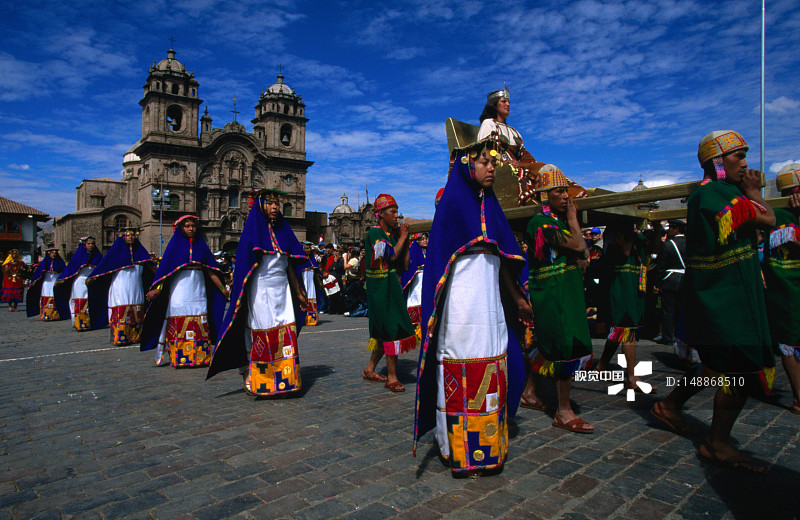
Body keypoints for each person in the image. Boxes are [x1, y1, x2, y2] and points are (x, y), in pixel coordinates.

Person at [651, 130, 775, 473]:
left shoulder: (725, 192)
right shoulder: (709, 195)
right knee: (738, 370)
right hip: (721, 298)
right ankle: (716, 444)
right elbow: (767, 219)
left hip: (733, 293)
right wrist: (752, 193)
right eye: (739, 156)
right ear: (717, 162)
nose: (746, 163)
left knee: (713, 367)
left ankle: (669, 406)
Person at [414, 139, 532, 475]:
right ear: (468, 166)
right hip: (461, 307)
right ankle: (457, 448)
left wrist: (519, 298)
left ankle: (489, 446)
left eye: (493, 162)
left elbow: (505, 259)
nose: (491, 167)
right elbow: (439, 268)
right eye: (483, 162)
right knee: (459, 364)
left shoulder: (492, 207)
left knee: (492, 361)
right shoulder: (451, 207)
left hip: (490, 306)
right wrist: (433, 314)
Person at [207, 189, 307, 397]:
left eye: (277, 204)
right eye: (270, 203)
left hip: (282, 290)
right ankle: (256, 377)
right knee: (261, 330)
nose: (275, 207)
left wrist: (297, 292)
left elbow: (288, 265)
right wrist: (239, 297)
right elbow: (244, 268)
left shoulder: (283, 231)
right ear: (261, 205)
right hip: (260, 290)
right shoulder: (251, 234)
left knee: (284, 330)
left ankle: (286, 379)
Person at [522, 165, 594, 433]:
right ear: (544, 196)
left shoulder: (556, 223)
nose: (565, 196)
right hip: (554, 296)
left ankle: (529, 392)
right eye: (558, 191)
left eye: (565, 191)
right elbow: (579, 248)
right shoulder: (541, 223)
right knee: (564, 347)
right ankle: (563, 411)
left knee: (548, 346)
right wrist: (575, 219)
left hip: (565, 292)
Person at [140, 216, 228, 367]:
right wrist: (157, 289)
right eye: (187, 226)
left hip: (198, 290)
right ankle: (181, 357)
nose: (190, 228)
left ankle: (200, 356)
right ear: (181, 228)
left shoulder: (202, 246)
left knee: (199, 319)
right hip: (179, 291)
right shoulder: (174, 248)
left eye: (193, 225)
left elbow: (211, 272)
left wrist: (222, 289)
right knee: (180, 321)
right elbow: (165, 273)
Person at [362, 193, 417, 392]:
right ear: (380, 214)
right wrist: (402, 237)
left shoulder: (391, 236)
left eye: (396, 212)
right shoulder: (374, 234)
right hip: (380, 291)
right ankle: (392, 377)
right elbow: (391, 256)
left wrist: (406, 242)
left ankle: (369, 369)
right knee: (390, 330)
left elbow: (404, 263)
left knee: (383, 332)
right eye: (392, 212)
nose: (396, 216)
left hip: (391, 288)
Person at [595, 222, 654, 393]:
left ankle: (602, 365)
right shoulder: (613, 233)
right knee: (628, 330)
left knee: (619, 330)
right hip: (620, 288)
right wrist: (627, 228)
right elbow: (625, 252)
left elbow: (654, 249)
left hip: (634, 288)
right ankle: (632, 377)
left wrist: (655, 226)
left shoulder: (639, 236)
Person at [762, 162, 800, 414]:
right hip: (787, 289)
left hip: (783, 290)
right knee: (790, 342)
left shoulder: (771, 215)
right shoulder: (777, 217)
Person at [87, 228, 155, 346]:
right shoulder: (115, 253)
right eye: (127, 235)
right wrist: (93, 276)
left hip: (136, 286)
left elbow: (150, 267)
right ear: (122, 236)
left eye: (133, 235)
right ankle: (121, 336)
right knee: (122, 307)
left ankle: (135, 335)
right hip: (120, 286)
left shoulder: (140, 252)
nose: (130, 237)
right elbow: (104, 266)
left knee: (137, 307)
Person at [54, 236, 103, 330]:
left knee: (92, 301)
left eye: (92, 244)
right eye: (89, 244)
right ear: (84, 245)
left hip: (92, 282)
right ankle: (80, 322)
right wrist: (61, 279)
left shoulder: (97, 256)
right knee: (81, 301)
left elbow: (100, 269)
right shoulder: (78, 256)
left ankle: (92, 322)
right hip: (80, 281)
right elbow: (70, 269)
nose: (91, 246)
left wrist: (94, 278)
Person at [656, 219, 687, 348]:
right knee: (683, 310)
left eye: (670, 228)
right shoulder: (691, 243)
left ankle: (668, 337)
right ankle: (681, 336)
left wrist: (658, 282)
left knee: (668, 310)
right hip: (685, 279)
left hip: (670, 280)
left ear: (676, 229)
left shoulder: (668, 245)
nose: (668, 231)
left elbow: (661, 265)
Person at [26, 247, 68, 321]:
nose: (53, 255)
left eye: (55, 253)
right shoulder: (44, 263)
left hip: (55, 282)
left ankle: (56, 314)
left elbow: (65, 273)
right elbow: (38, 274)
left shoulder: (60, 262)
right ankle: (46, 314)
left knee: (55, 296)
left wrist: (60, 280)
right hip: (46, 283)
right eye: (52, 253)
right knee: (46, 296)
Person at [402, 233, 427, 342]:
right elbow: (411, 266)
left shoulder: (431, 250)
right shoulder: (414, 249)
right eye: (422, 239)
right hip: (417, 280)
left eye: (426, 238)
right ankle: (415, 330)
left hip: (427, 279)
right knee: (416, 300)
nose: (425, 241)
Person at [298, 242, 321, 326]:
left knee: (312, 297)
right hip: (302, 282)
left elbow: (317, 272)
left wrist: (319, 281)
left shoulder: (312, 260)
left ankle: (311, 319)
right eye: (307, 248)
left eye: (310, 248)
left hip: (311, 283)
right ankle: (302, 319)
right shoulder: (300, 259)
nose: (309, 250)